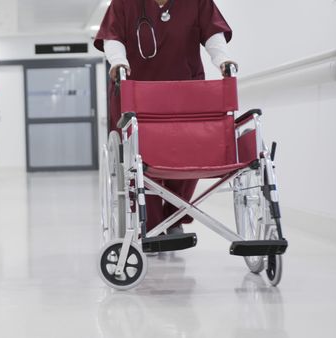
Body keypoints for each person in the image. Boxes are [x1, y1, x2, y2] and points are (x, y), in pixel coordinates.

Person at [94, 0, 238, 234]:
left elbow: (213, 31)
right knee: (141, 160)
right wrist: (119, 62)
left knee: (191, 153)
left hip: (185, 92)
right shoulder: (124, 3)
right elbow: (113, 37)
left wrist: (222, 59)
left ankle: (174, 216)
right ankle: (150, 224)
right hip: (137, 94)